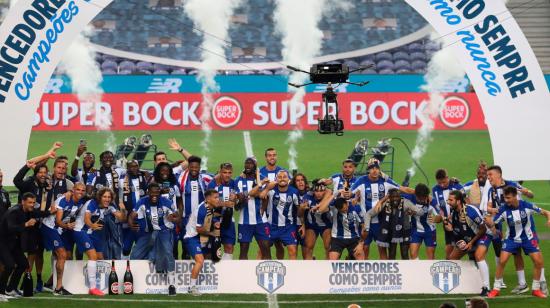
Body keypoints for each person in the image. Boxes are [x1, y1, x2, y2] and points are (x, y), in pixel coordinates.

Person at [481, 165, 538, 294]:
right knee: (516, 253)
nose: (488, 178)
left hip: (524, 224)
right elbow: (488, 207)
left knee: (533, 255)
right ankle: (522, 284)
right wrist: (496, 210)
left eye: (490, 175)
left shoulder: (512, 185)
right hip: (510, 224)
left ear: (498, 175)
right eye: (487, 176)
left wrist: (526, 192)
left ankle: (539, 283)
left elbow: (531, 195)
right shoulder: (492, 190)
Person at [486, 186, 550, 299]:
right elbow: (493, 222)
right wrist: (488, 220)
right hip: (511, 239)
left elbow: (546, 212)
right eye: (505, 198)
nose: (506, 200)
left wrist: (549, 219)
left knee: (538, 261)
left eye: (508, 198)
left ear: (515, 196)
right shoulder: (503, 209)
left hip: (528, 239)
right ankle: (496, 289)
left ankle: (536, 289)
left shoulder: (526, 206)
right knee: (502, 260)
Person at [351, 158, 414, 259]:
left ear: (380, 170)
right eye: (372, 168)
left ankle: (385, 273)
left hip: (381, 223)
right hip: (365, 223)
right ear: (368, 169)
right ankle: (364, 272)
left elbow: (403, 189)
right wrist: (349, 195)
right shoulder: (361, 180)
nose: (375, 170)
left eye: (377, 168)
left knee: (382, 249)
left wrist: (419, 192)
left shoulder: (386, 181)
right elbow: (350, 192)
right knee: (364, 248)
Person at [71, 187, 126, 296]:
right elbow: (87, 219)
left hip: (93, 233)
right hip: (81, 230)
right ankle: (92, 288)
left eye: (109, 197)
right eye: (104, 197)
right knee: (93, 256)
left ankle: (100, 284)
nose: (107, 199)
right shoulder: (92, 203)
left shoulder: (110, 205)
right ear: (100, 197)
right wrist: (92, 225)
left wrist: (122, 209)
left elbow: (122, 218)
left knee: (101, 258)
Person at [129, 183, 180, 296]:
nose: (154, 195)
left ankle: (172, 285)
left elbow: (178, 218)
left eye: (157, 192)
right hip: (148, 233)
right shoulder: (142, 201)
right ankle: (137, 279)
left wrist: (174, 219)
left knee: (167, 253)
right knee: (134, 256)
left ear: (160, 193)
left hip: (164, 231)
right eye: (152, 192)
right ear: (148, 192)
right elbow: (132, 215)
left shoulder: (167, 202)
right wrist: (131, 224)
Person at [444, 190, 492, 296]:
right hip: (469, 238)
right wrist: (451, 230)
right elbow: (459, 233)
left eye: (451, 200)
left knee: (478, 255)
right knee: (452, 259)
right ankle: (463, 284)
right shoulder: (454, 213)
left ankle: (487, 287)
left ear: (458, 201)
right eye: (448, 199)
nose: (448, 202)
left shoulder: (470, 211)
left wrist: (471, 243)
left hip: (483, 235)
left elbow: (483, 229)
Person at [364, 189, 422, 260]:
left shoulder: (406, 202)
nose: (395, 199)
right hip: (391, 231)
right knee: (392, 254)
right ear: (389, 197)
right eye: (393, 197)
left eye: (397, 197)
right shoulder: (385, 203)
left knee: (404, 254)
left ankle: (406, 270)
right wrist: (366, 228)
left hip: (404, 230)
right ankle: (393, 270)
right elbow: (369, 214)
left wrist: (413, 212)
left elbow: (420, 212)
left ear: (400, 197)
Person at [183, 189, 220, 296]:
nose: (218, 200)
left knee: (207, 257)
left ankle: (208, 286)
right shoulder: (202, 210)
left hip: (199, 237)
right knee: (200, 260)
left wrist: (215, 222)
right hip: (191, 237)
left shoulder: (209, 207)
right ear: (208, 199)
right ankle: (192, 287)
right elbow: (198, 229)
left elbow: (207, 220)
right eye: (215, 198)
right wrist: (212, 233)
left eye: (218, 197)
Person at [0, 192, 36, 298]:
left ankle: (11, 289)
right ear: (23, 202)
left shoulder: (27, 211)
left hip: (13, 242)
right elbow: (11, 228)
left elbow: (38, 213)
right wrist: (26, 224)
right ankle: (1, 292)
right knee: (9, 265)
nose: (32, 205)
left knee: (23, 264)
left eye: (33, 202)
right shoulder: (13, 212)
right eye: (30, 202)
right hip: (2, 242)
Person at [235, 157, 271, 260]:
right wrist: (252, 193)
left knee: (266, 249)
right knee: (243, 251)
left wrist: (262, 208)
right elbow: (240, 197)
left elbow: (264, 196)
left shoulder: (262, 178)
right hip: (244, 221)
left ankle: (268, 274)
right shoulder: (238, 180)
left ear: (255, 166)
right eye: (246, 163)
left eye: (250, 164)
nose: (248, 165)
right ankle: (243, 274)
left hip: (260, 221)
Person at [178, 156, 212, 259]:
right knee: (186, 248)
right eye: (191, 167)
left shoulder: (205, 178)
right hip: (186, 219)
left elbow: (218, 178)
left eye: (196, 167)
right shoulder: (180, 179)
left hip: (201, 219)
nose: (194, 169)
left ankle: (202, 271)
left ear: (199, 167)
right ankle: (187, 272)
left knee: (204, 247)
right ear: (188, 167)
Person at [261, 170, 301, 259]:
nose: (282, 179)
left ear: (289, 179)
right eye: (279, 177)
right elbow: (261, 195)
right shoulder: (271, 190)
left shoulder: (294, 192)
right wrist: (267, 188)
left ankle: (292, 271)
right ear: (276, 179)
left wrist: (303, 225)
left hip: (288, 227)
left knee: (293, 250)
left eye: (284, 177)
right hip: (272, 226)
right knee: (262, 249)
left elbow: (299, 211)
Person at [312, 196, 365, 260]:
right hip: (337, 238)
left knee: (360, 258)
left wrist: (361, 243)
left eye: (345, 209)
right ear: (338, 209)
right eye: (342, 211)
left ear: (346, 203)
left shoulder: (356, 207)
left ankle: (349, 259)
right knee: (332, 259)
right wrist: (333, 195)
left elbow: (363, 226)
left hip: (353, 238)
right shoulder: (333, 208)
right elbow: (320, 210)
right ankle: (348, 259)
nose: (345, 212)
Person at [152, 162, 183, 259]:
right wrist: (160, 192)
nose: (165, 172)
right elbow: (149, 200)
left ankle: (173, 269)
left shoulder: (174, 185)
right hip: (158, 220)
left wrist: (179, 215)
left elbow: (179, 201)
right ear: (158, 172)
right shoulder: (154, 185)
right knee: (159, 246)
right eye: (162, 170)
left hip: (172, 220)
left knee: (173, 245)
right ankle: (159, 270)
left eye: (167, 170)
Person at [207, 163, 238, 260]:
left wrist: (236, 198)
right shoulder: (212, 184)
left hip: (229, 220)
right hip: (214, 220)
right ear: (220, 172)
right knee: (214, 248)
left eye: (229, 172)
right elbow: (208, 202)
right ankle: (214, 272)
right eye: (224, 172)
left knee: (229, 247)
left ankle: (227, 271)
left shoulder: (233, 183)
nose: (227, 175)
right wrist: (225, 203)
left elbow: (237, 203)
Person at [431, 168, 464, 259]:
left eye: (444, 182)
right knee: (448, 250)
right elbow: (438, 207)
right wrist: (443, 218)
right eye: (439, 183)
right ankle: (450, 268)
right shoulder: (435, 190)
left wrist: (454, 216)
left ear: (447, 178)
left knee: (465, 247)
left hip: (460, 222)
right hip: (447, 223)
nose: (442, 185)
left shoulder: (457, 186)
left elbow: (466, 202)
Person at [121, 160, 149, 258]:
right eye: (131, 166)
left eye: (136, 166)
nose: (134, 168)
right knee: (125, 247)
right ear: (127, 168)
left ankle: (138, 264)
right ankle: (125, 263)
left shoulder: (143, 177)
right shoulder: (122, 178)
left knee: (140, 244)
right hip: (126, 216)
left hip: (141, 217)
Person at [407, 183, 442, 260]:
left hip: (429, 231)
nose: (423, 200)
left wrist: (437, 219)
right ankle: (417, 271)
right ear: (415, 195)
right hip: (415, 230)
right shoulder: (410, 197)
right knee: (413, 255)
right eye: (420, 198)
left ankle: (429, 271)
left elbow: (440, 215)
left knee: (431, 257)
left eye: (424, 197)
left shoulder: (432, 201)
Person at [302, 180, 332, 260]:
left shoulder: (330, 198)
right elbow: (302, 213)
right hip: (312, 224)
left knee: (328, 247)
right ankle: (309, 266)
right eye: (316, 191)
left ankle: (327, 267)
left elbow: (324, 208)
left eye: (321, 191)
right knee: (308, 247)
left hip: (326, 224)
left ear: (325, 191)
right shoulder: (307, 197)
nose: (318, 193)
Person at [290, 173, 309, 259]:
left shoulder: (310, 194)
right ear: (294, 183)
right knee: (293, 252)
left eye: (302, 180)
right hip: (293, 226)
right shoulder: (291, 193)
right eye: (298, 180)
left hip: (306, 226)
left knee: (306, 253)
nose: (300, 182)